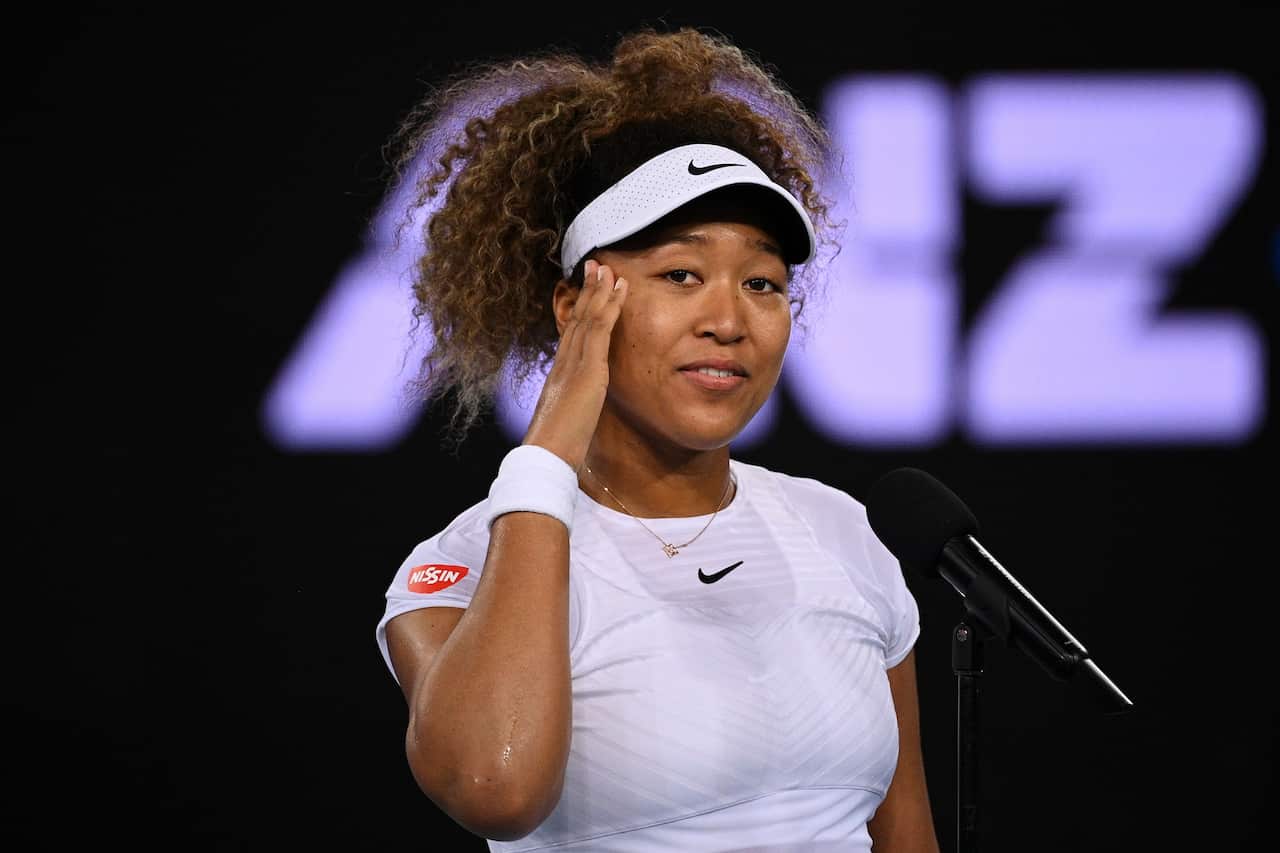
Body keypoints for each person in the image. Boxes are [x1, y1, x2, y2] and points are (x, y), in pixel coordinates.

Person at [374, 26, 940, 852]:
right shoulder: (458, 569)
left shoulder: (842, 532)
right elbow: (496, 787)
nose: (728, 320)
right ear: (577, 305)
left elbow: (907, 834)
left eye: (762, 283)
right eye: (681, 274)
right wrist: (545, 456)